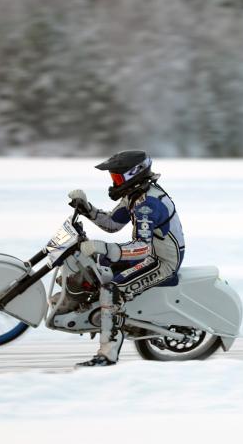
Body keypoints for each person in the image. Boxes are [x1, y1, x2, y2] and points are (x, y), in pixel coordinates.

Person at [67, 150, 185, 367]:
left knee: (112, 290)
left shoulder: (147, 204)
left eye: (117, 177)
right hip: (150, 254)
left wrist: (105, 248)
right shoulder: (135, 195)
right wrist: (87, 208)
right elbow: (113, 223)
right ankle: (96, 313)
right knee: (96, 266)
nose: (114, 182)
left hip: (161, 262)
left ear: (134, 175)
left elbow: (141, 248)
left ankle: (108, 353)